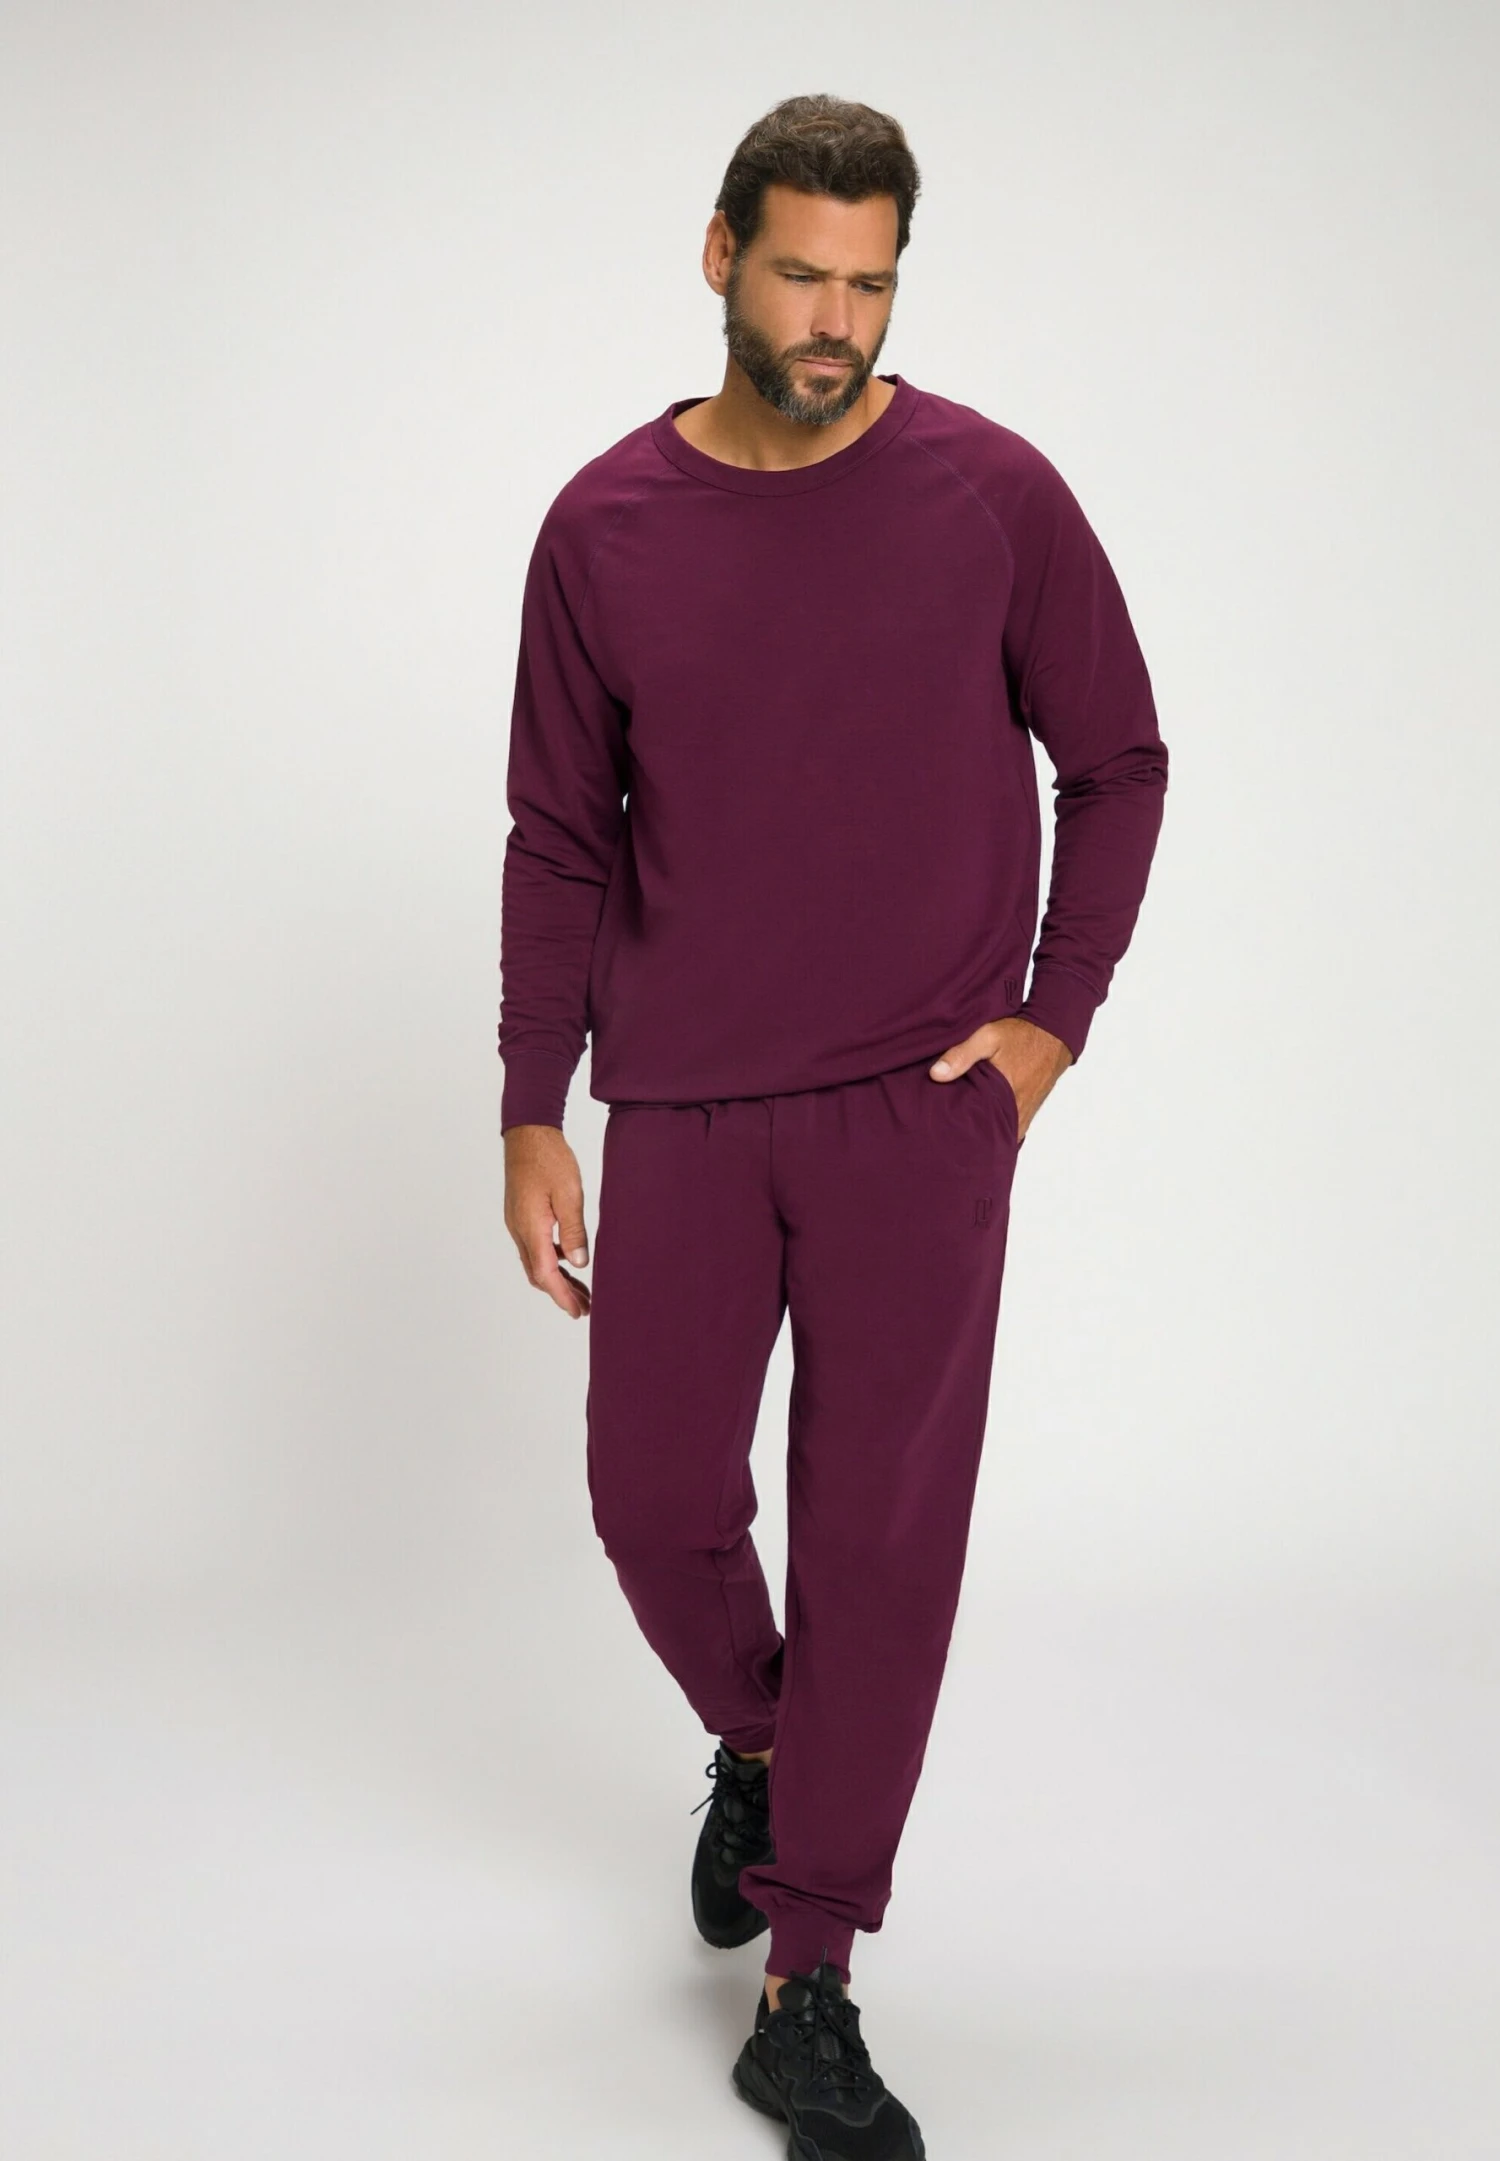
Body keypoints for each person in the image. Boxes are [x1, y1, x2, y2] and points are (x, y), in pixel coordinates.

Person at [498, 90, 1169, 2160]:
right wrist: (531, 1106)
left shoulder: (994, 496)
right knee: (651, 1495)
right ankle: (765, 1747)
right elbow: (558, 834)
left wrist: (1053, 1024)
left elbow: (1119, 762)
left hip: (917, 1113)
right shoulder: (603, 529)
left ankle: (811, 1985)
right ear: (721, 258)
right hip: (687, 1103)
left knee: (880, 1547)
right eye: (801, 274)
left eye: (871, 284)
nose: (835, 321)